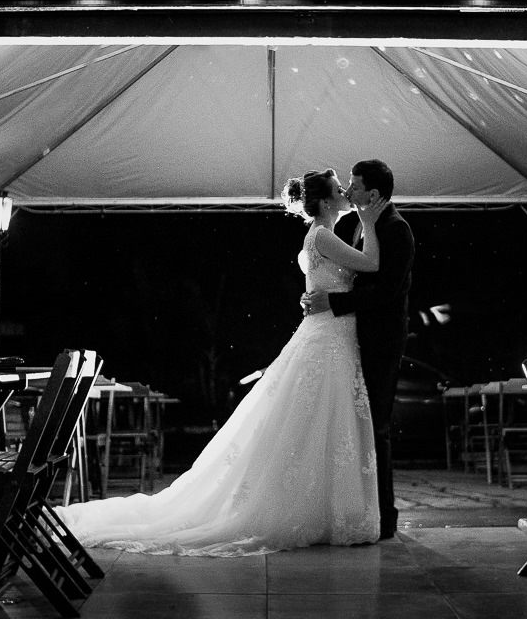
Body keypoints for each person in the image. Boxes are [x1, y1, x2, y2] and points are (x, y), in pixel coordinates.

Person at [55, 169, 388, 556]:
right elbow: (372, 264)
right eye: (339, 189)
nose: (346, 193)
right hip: (328, 338)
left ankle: (322, 509)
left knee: (318, 421)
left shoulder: (319, 234)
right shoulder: (323, 236)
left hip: (328, 334)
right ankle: (316, 509)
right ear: (327, 202)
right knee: (319, 420)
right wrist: (368, 221)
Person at [302, 159, 414, 540]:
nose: (348, 191)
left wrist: (331, 302)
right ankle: (358, 509)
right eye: (344, 186)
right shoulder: (359, 226)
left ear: (373, 194)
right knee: (355, 426)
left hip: (382, 341)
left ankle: (385, 518)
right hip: (350, 338)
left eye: (354, 185)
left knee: (376, 425)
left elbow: (387, 291)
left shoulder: (396, 229)